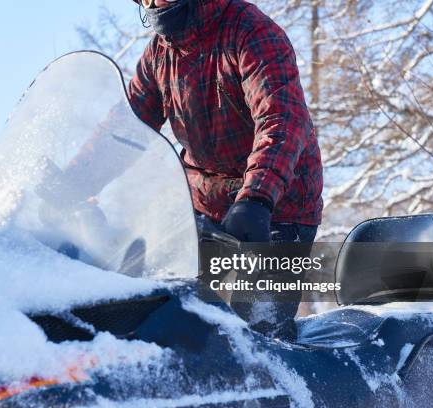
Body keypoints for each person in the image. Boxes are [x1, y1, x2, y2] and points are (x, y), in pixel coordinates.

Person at [127, 0, 324, 337]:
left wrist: (257, 198)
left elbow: (281, 119)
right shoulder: (159, 56)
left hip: (275, 208)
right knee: (172, 325)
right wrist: (72, 183)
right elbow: (124, 132)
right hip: (206, 209)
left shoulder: (249, 31)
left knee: (257, 339)